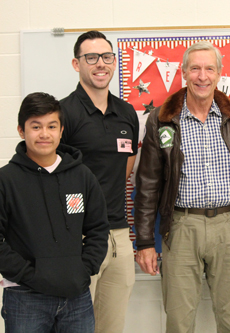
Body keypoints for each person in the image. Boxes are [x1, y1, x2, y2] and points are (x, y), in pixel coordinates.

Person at [133, 41, 230, 333]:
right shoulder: (162, 119)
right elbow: (147, 185)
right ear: (183, 73)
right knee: (179, 321)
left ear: (220, 73)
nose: (202, 76)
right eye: (195, 68)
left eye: (209, 68)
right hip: (181, 227)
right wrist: (144, 242)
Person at [0, 92, 109, 332]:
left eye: (51, 126)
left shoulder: (82, 176)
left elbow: (98, 228)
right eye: (35, 126)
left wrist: (84, 269)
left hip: (76, 298)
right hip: (25, 297)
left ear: (61, 131)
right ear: (21, 131)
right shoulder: (6, 180)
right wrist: (30, 275)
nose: (44, 134)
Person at [60, 30, 139, 333]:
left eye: (106, 57)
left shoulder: (126, 113)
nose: (100, 64)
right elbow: (54, 179)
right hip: (78, 236)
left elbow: (126, 168)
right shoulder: (64, 113)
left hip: (118, 233)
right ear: (76, 63)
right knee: (75, 325)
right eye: (90, 57)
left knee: (111, 325)